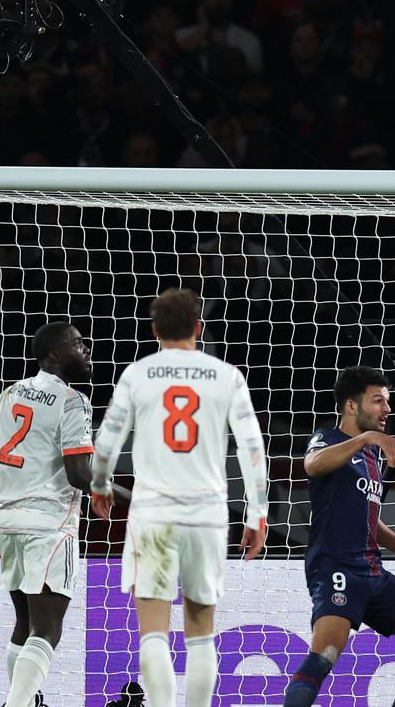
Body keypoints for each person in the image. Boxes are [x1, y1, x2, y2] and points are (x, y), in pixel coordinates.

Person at [90, 289, 270, 707]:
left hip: (153, 512)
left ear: (155, 331)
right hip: (207, 514)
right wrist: (257, 515)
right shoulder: (227, 376)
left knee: (153, 628)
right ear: (199, 328)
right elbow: (252, 450)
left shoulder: (138, 374)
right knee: (201, 628)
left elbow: (107, 442)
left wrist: (100, 485)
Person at [283, 366, 395, 707]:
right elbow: (312, 465)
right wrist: (365, 438)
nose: (387, 409)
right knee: (325, 655)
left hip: (372, 571)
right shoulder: (328, 439)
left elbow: (368, 517)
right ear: (352, 406)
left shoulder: (371, 456)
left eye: (387, 401)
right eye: (378, 401)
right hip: (336, 568)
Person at [0, 322, 95, 707]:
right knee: (47, 629)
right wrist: (107, 483)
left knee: (24, 625)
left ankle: (23, 702)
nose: (87, 350)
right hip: (49, 525)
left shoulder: (10, 393)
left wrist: (19, 474)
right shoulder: (72, 401)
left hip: (7, 521)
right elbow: (79, 474)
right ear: (56, 356)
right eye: (79, 345)